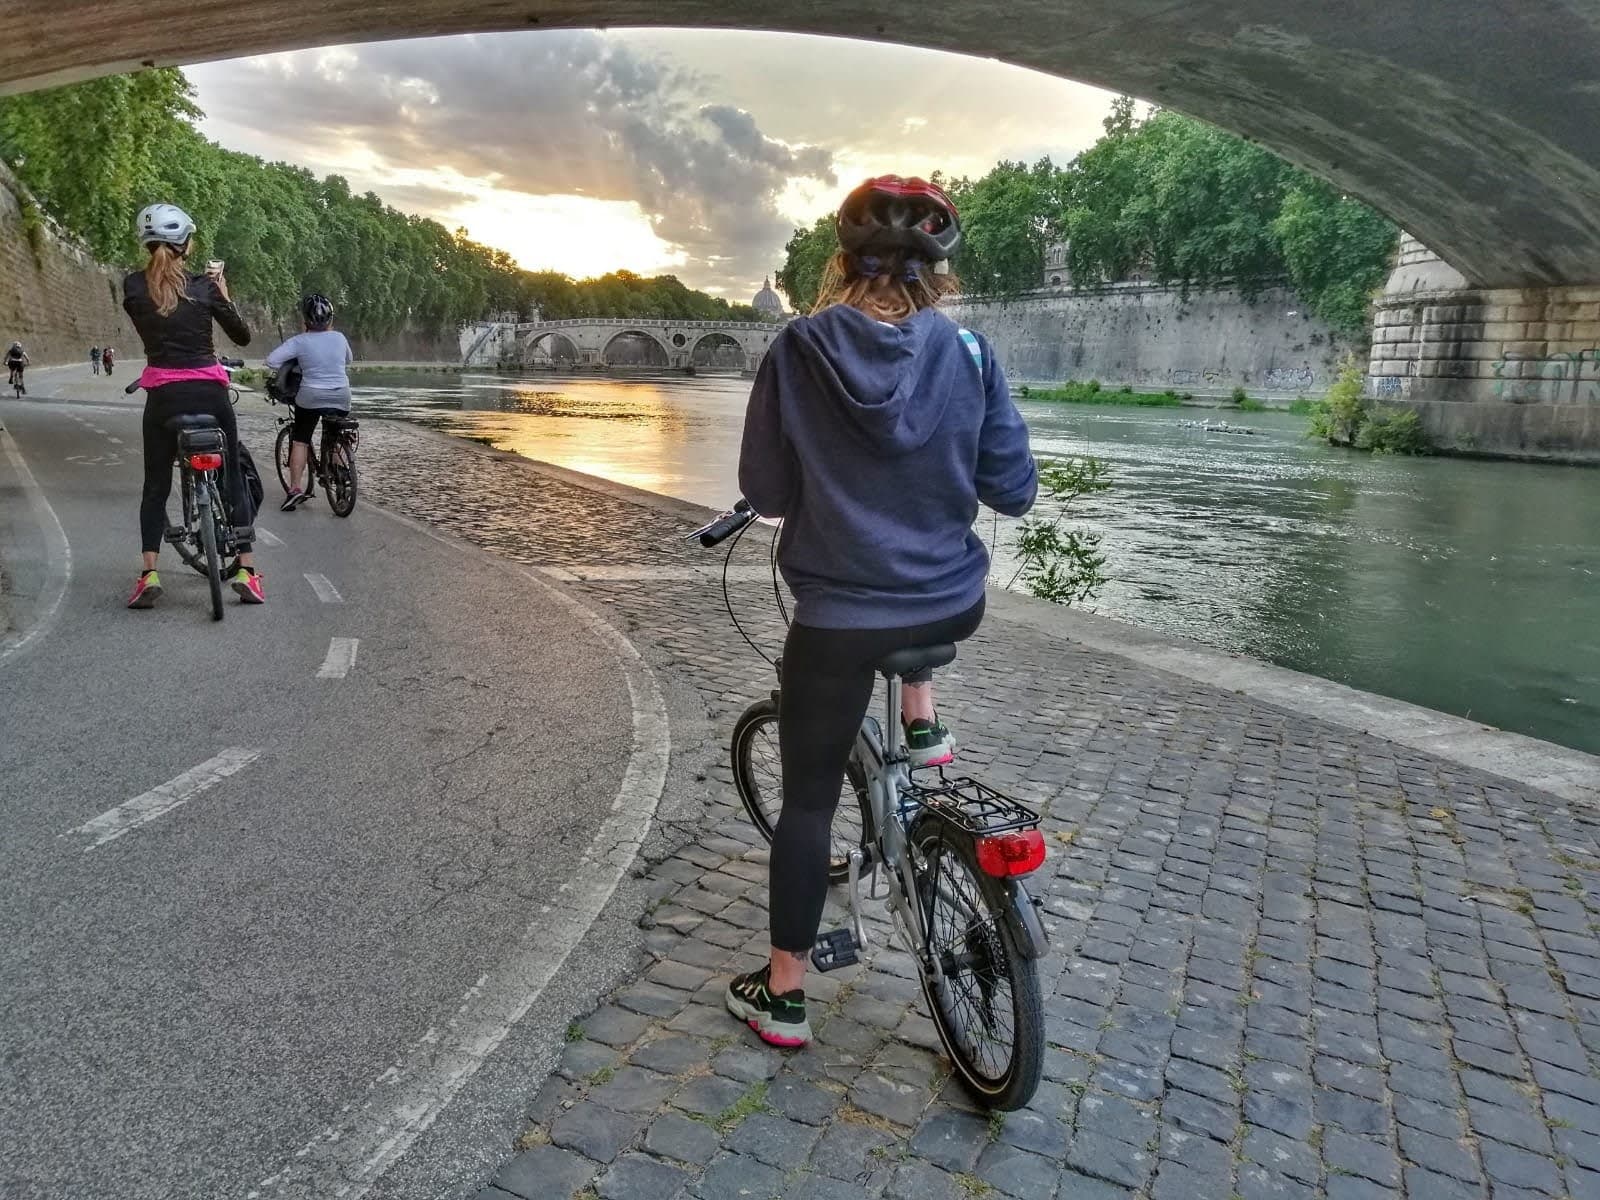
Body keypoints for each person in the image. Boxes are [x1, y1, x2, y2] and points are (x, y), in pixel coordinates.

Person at [724, 176, 1038, 1048]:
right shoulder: (971, 355)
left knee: (809, 807)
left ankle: (784, 997)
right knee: (920, 573)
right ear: (935, 274)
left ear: (841, 263)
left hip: (838, 618)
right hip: (948, 606)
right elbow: (1011, 491)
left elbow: (768, 492)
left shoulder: (796, 351)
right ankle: (922, 713)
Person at [122, 202, 263, 608]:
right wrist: (223, 292)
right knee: (232, 473)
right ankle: (247, 572)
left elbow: (156, 316)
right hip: (210, 395)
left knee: (154, 486)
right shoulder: (204, 287)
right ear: (186, 243)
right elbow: (241, 337)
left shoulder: (133, 287)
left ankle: (149, 572)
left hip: (164, 398)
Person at [264, 293, 354, 511]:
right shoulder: (340, 338)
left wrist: (298, 360)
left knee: (301, 440)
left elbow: (271, 361)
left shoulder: (299, 341)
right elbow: (348, 360)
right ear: (330, 320)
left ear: (305, 320)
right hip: (341, 395)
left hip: (310, 396)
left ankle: (295, 489)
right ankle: (341, 479)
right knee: (335, 433)